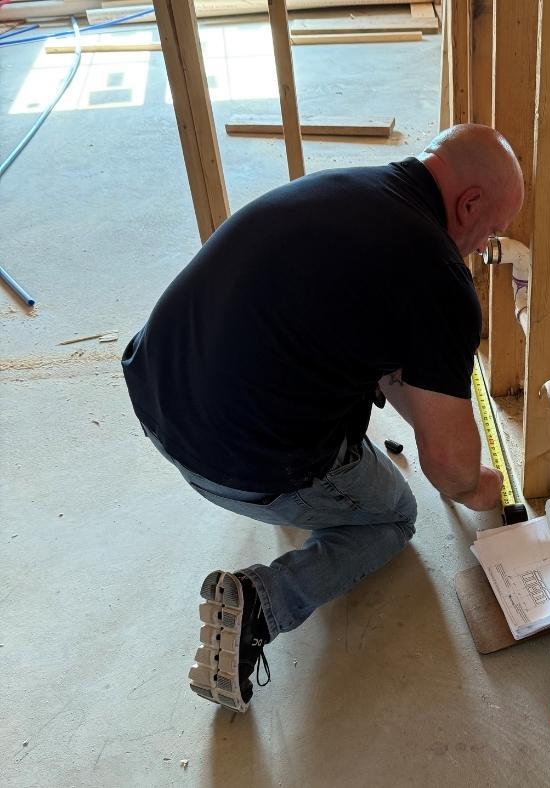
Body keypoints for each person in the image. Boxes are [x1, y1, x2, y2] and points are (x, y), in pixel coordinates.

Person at [122, 124, 525, 712]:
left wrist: (436, 421)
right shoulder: (438, 278)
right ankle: (263, 602)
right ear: (468, 204)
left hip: (158, 393)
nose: (482, 249)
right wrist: (482, 487)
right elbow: (448, 468)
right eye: (490, 232)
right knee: (391, 518)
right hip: (232, 462)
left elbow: (394, 373)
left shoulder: (356, 189)